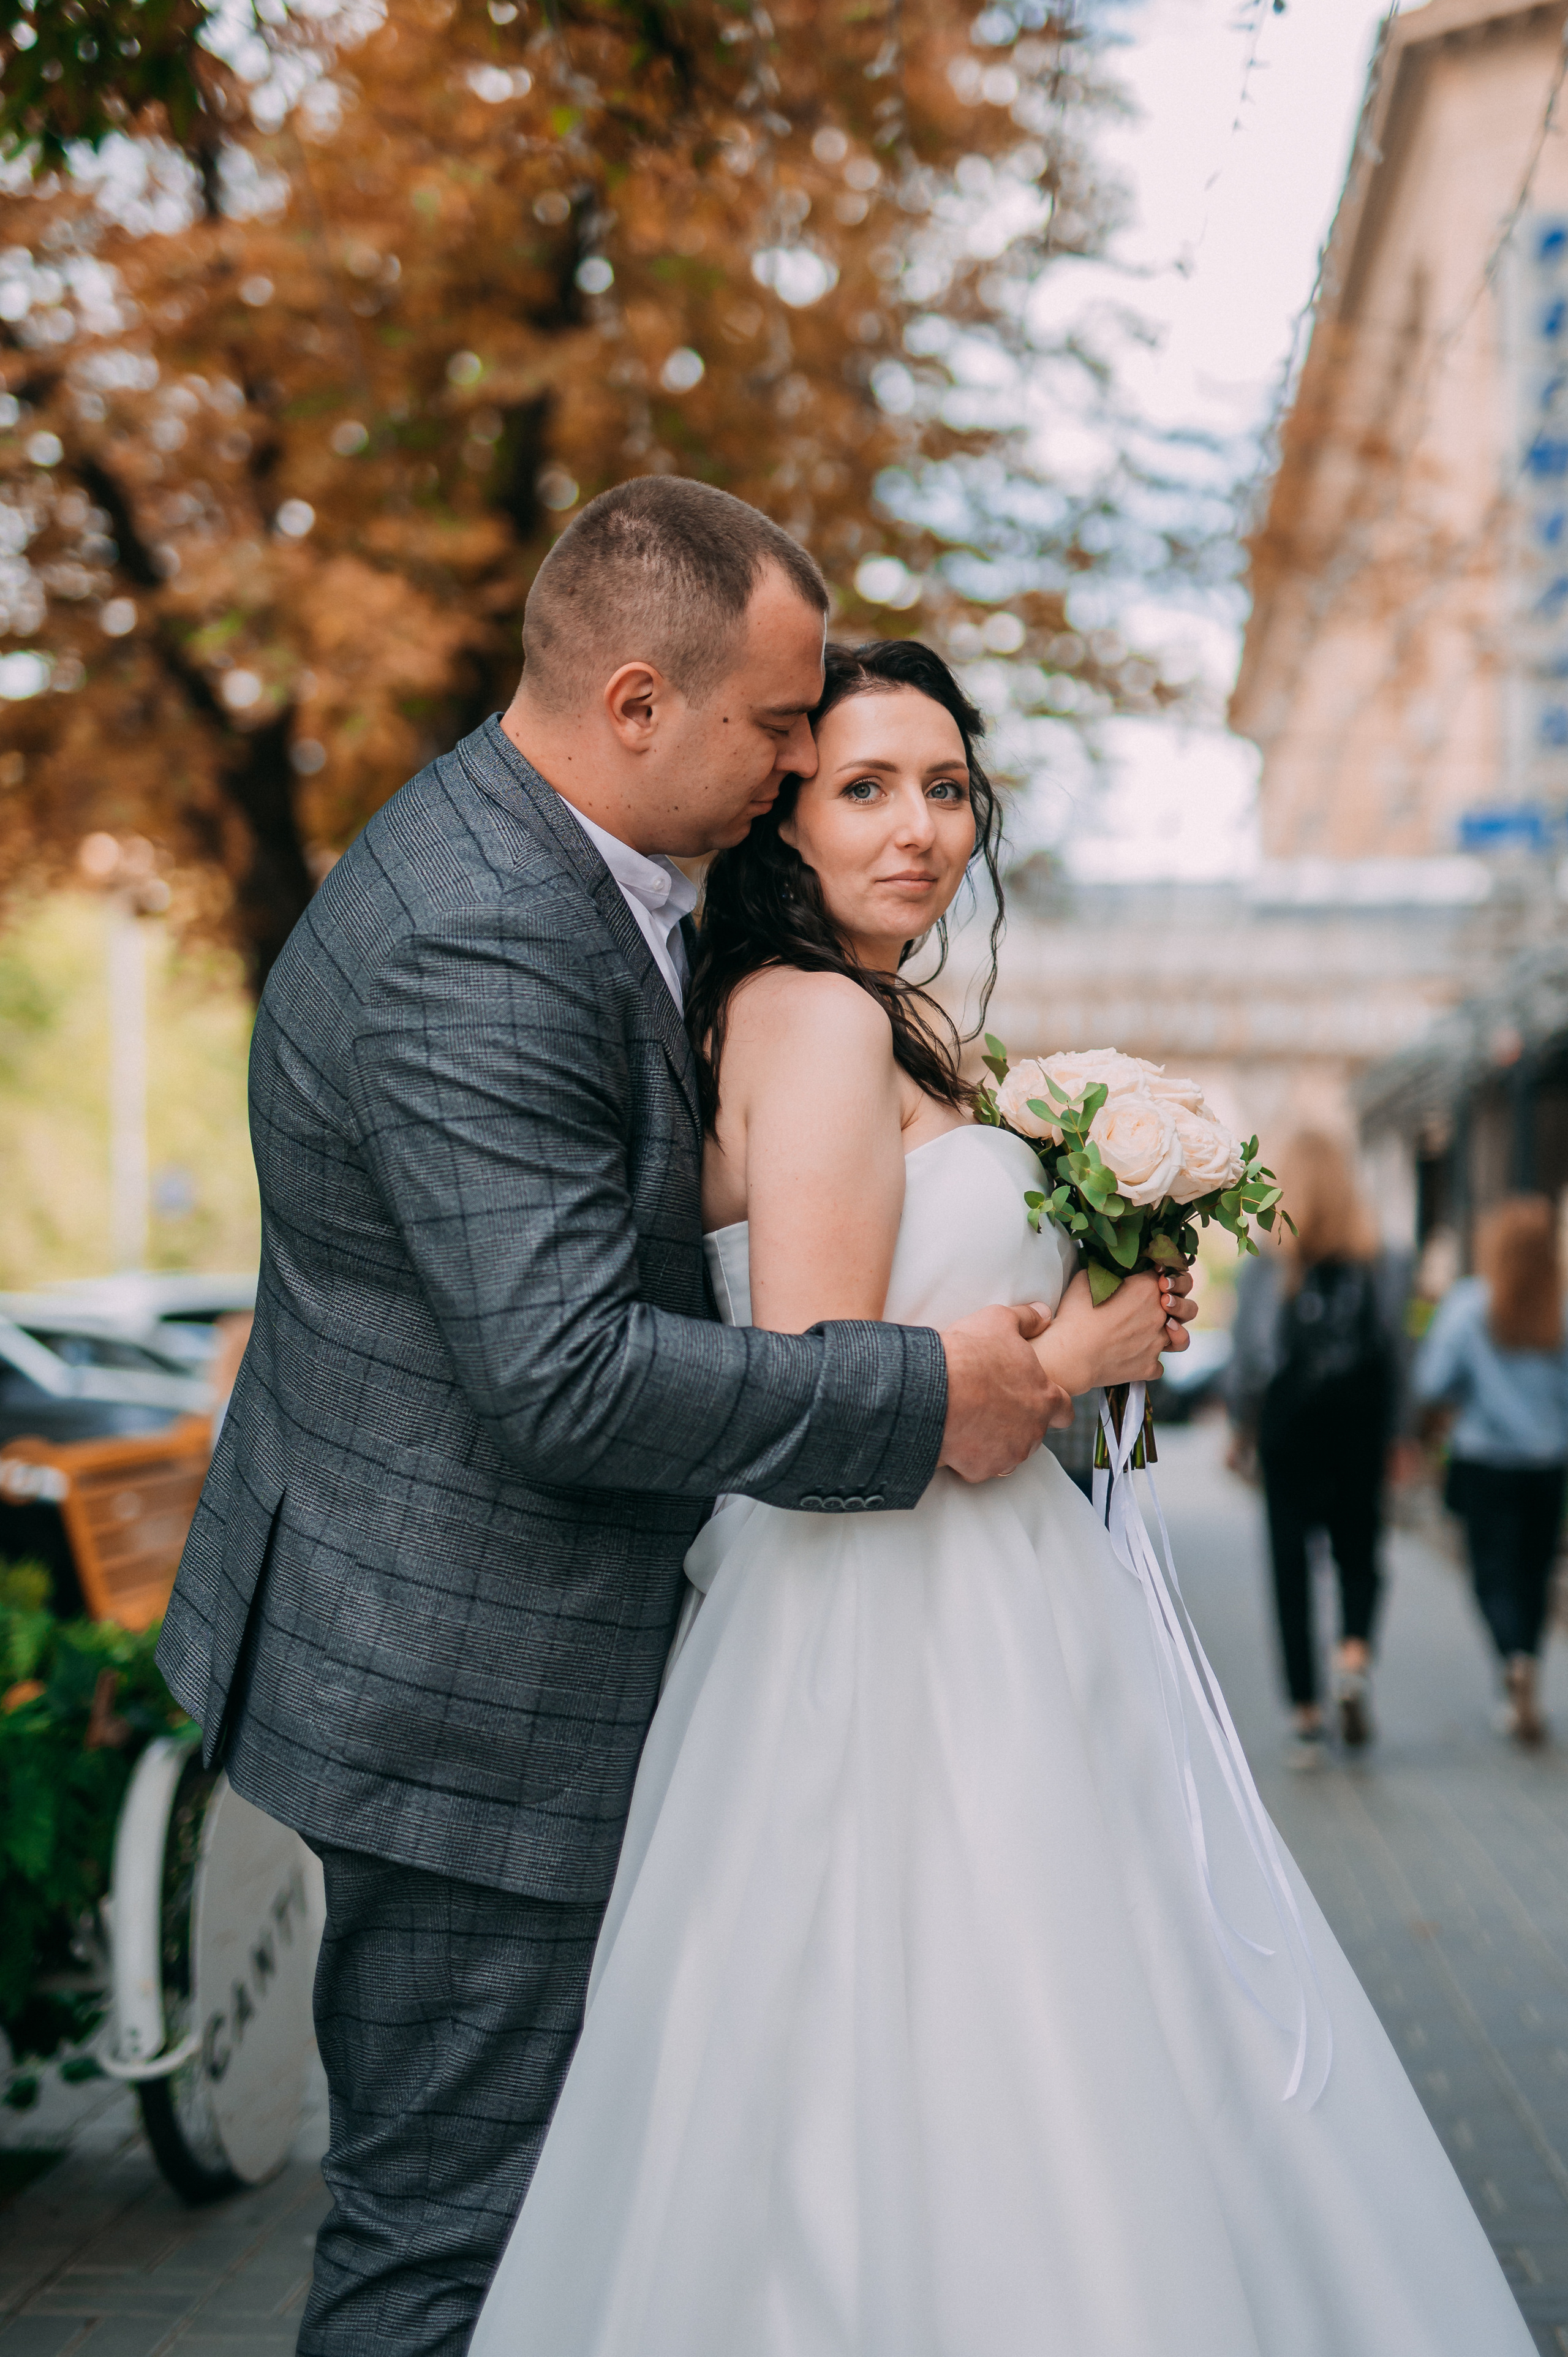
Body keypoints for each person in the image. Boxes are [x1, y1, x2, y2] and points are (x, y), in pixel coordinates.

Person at [467, 640, 1532, 2356]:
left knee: (1077, 2038)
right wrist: (1076, 1344)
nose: (919, 827)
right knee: (946, 2050)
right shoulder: (810, 1016)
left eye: (949, 786)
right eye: (866, 784)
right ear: (781, 810)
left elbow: (949, 1350)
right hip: (883, 1629)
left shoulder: (908, 1027)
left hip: (1003, 1601)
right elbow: (838, 1394)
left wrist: (1095, 1324)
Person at [155, 480, 1082, 2357]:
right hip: (465, 1697)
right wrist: (937, 1390)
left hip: (491, 1642)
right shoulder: (480, 930)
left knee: (544, 2224)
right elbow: (566, 1367)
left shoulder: (571, 875)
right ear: (636, 702)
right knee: (449, 2242)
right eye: (779, 724)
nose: (805, 756)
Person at [1226, 1131, 1408, 1768]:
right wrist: (1398, 1433)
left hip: (1289, 1428)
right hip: (1357, 1427)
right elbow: (1394, 1352)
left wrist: (1239, 1429)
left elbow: (1250, 1358)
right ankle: (1352, 1655)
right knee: (1360, 1551)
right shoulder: (1377, 1261)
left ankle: (1304, 1716)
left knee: (1289, 1566)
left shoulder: (1269, 1261)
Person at [1415, 1194, 1568, 1747]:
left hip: (1483, 1462)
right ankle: (1526, 1662)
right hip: (1547, 1464)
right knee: (1533, 1572)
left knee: (1490, 1573)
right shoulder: (1562, 1309)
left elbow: (1432, 1382)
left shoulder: (1469, 1305)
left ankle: (1511, 1658)